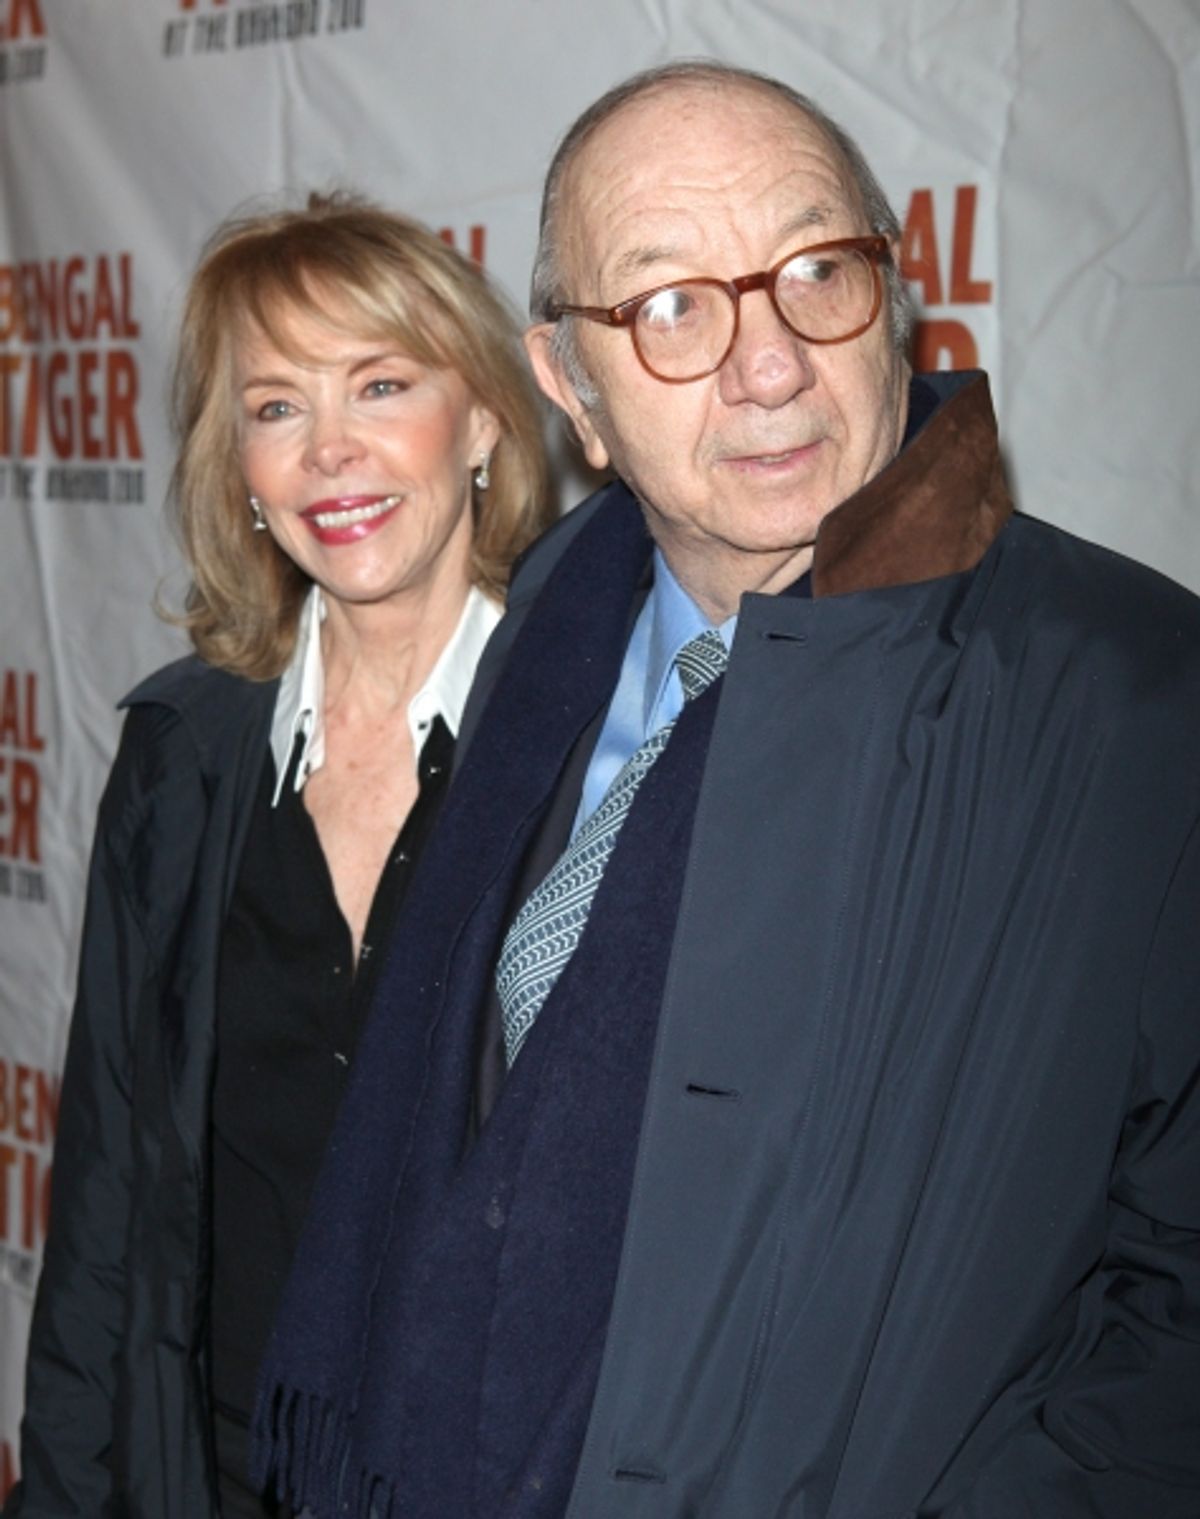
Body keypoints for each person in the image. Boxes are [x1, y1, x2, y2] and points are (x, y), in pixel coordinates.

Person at [254, 64, 1200, 1519]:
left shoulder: (1140, 694)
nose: (767, 365)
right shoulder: (551, 628)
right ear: (571, 386)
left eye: (816, 272)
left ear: (895, 302)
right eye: (672, 307)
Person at [7, 194, 551, 1519]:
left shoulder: (594, 741)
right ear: (234, 465)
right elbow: (108, 1223)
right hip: (220, 1474)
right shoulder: (181, 755)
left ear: (481, 420)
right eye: (275, 407)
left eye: (380, 385)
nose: (331, 454)